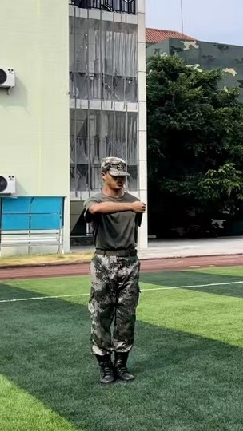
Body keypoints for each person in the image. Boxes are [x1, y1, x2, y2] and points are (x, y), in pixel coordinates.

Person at [82, 157, 146, 385]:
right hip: (103, 261)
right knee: (101, 315)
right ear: (103, 175)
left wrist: (132, 205)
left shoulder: (135, 202)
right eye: (115, 176)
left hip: (129, 260)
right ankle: (104, 364)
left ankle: (121, 363)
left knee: (126, 317)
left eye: (123, 177)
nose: (120, 180)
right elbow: (96, 210)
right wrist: (129, 206)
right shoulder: (95, 200)